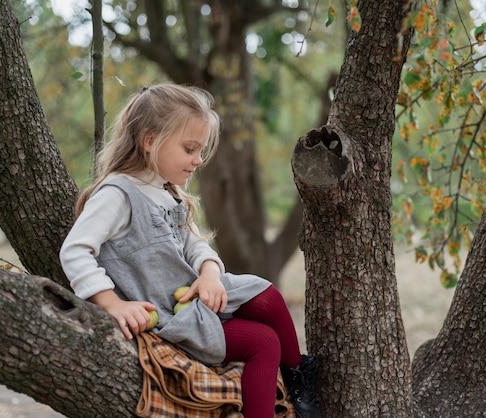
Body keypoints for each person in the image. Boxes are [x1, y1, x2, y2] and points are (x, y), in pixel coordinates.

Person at [59, 84, 322, 418]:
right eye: (190, 149)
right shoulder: (119, 194)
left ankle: (300, 387)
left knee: (268, 296)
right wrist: (112, 304)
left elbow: (196, 244)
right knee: (263, 342)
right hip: (170, 316)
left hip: (194, 299)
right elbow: (75, 250)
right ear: (150, 141)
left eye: (201, 151)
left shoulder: (168, 193)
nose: (198, 160)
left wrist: (210, 273)